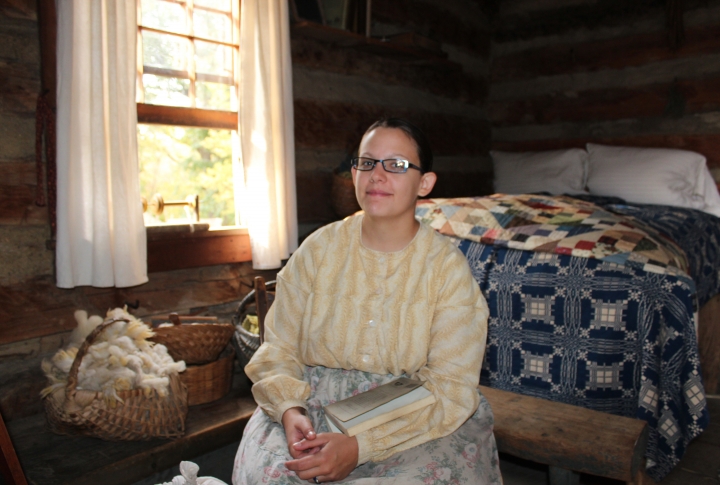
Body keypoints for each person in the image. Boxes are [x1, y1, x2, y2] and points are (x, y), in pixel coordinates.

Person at [233, 118, 502, 484]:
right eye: (366, 162)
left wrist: (360, 446)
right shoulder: (317, 250)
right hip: (312, 402)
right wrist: (289, 410)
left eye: (396, 165)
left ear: (425, 183)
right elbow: (278, 348)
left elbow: (451, 386)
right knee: (273, 474)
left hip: (415, 416)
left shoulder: (446, 270)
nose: (377, 175)